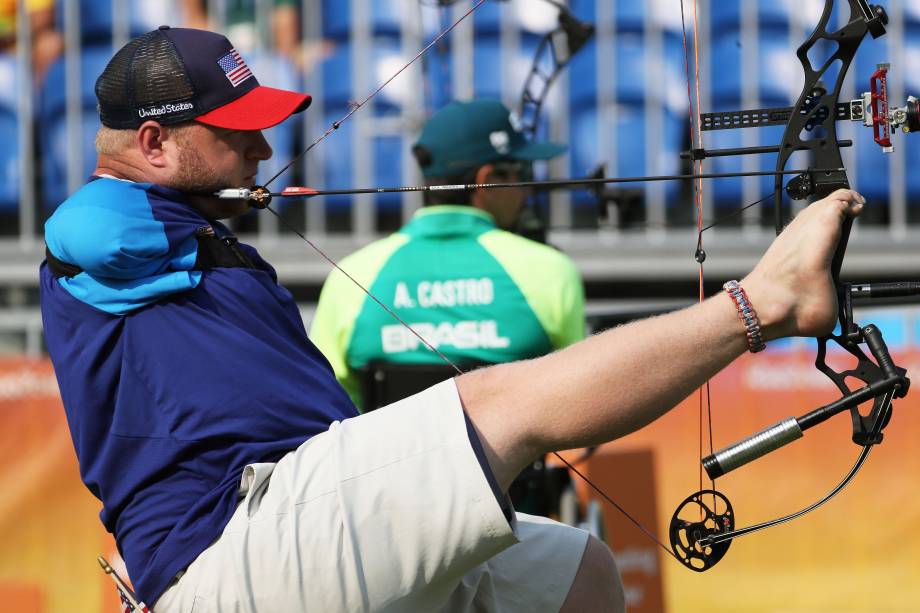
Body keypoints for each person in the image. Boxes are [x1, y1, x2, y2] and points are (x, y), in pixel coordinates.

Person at [39, 26, 866, 613]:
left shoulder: (201, 243)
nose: (262, 153)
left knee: (577, 573)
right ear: (152, 142)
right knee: (495, 404)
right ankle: (769, 299)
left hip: (295, 524)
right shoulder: (104, 233)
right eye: (238, 135)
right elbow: (83, 226)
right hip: (228, 548)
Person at [310, 99, 585, 407]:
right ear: (487, 179)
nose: (527, 190)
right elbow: (579, 398)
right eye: (522, 173)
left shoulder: (351, 275)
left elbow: (326, 403)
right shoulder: (550, 270)